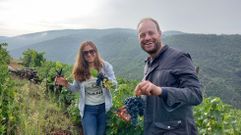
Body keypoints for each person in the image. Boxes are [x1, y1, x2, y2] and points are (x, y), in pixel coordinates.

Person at [134, 18, 203, 135]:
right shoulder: (148, 63)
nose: (147, 38)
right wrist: (134, 109)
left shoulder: (179, 57)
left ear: (160, 34)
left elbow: (195, 94)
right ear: (138, 39)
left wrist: (160, 90)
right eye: (142, 35)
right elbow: (154, 102)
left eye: (151, 33)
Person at [55, 41, 117, 135]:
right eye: (85, 52)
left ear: (96, 52)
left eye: (92, 51)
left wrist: (105, 80)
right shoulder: (79, 70)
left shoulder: (105, 66)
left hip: (103, 109)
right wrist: (65, 83)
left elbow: (115, 86)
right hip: (88, 110)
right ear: (82, 55)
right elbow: (75, 88)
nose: (89, 54)